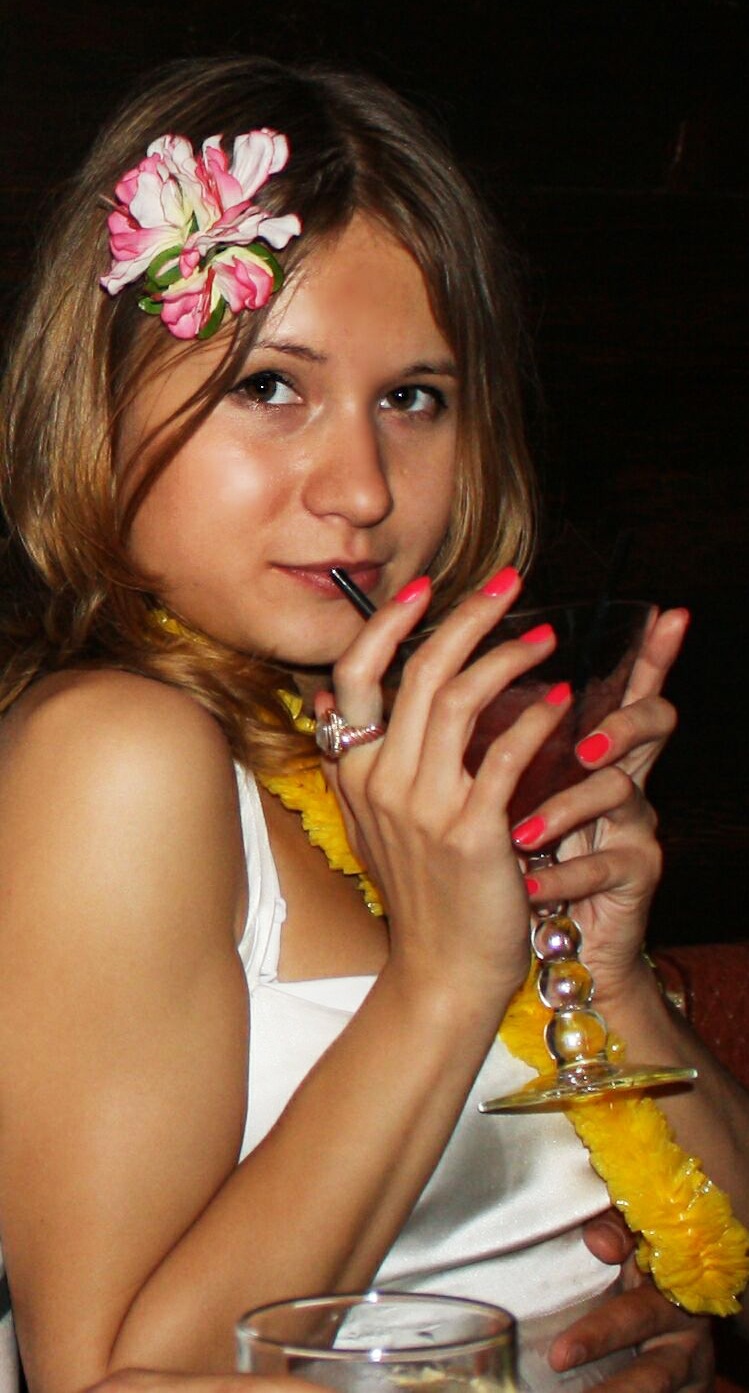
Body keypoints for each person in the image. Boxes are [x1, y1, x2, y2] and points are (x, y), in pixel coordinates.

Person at [0, 54, 745, 1393]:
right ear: (100, 404)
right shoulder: (117, 755)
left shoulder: (419, 760)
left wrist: (607, 969)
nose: (360, 490)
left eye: (412, 399)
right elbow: (105, 1379)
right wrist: (446, 980)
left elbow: (714, 1261)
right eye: (268, 387)